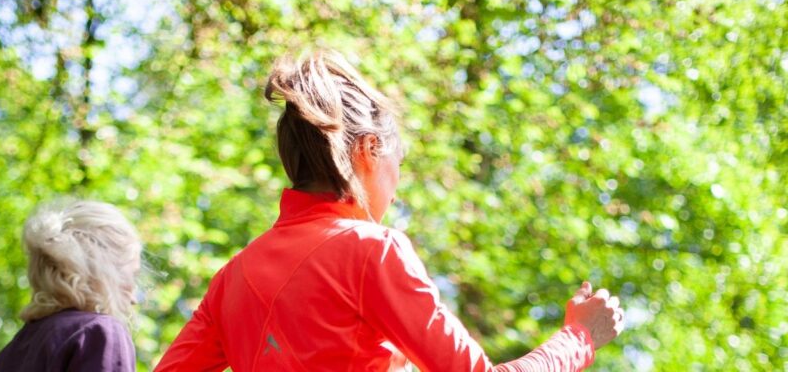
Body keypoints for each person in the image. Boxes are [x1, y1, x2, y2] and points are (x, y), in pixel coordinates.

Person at [156, 50, 624, 371]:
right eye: (398, 165)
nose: (396, 192)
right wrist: (579, 338)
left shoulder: (233, 277)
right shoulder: (369, 251)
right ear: (369, 150)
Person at [0, 199, 141, 372]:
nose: (134, 299)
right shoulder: (100, 333)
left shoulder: (13, 351)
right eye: (132, 276)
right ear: (104, 270)